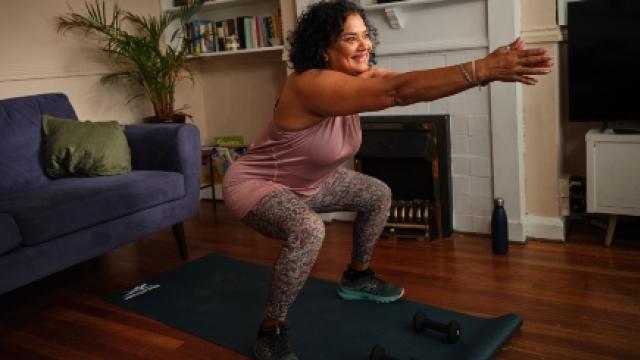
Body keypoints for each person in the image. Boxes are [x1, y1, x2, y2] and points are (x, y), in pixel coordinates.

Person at [222, 0, 553, 359]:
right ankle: (271, 331)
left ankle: (357, 277)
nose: (365, 45)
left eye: (366, 36)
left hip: (307, 186)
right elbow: (397, 93)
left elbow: (406, 83)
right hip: (259, 186)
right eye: (351, 38)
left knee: (377, 193)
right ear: (323, 48)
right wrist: (481, 69)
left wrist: (484, 70)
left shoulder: (357, 77)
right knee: (309, 229)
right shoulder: (307, 85)